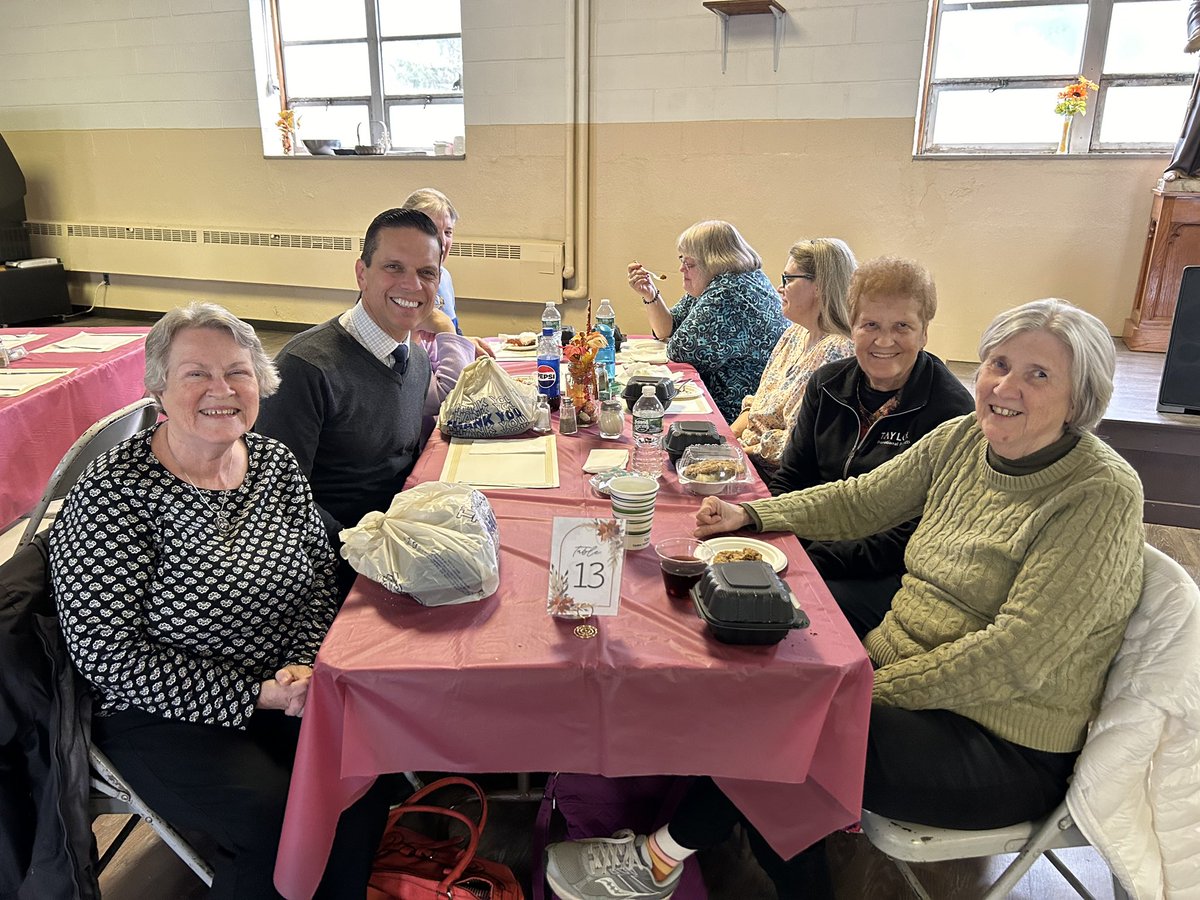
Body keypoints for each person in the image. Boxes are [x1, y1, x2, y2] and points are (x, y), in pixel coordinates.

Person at [545, 298, 1145, 900]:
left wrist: (860, 692)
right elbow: (860, 500)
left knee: (785, 727)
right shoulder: (966, 439)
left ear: (1082, 395)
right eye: (998, 363)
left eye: (1039, 374)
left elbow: (1014, 658)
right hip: (901, 677)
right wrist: (752, 513)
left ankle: (658, 858)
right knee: (761, 693)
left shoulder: (1099, 493)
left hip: (999, 742)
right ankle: (681, 859)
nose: (1005, 386)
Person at [50, 302, 390, 899]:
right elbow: (106, 654)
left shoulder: (274, 465)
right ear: (158, 387)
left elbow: (314, 580)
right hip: (159, 710)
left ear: (260, 382)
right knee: (273, 816)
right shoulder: (114, 492)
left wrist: (304, 664)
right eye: (196, 374)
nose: (221, 389)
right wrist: (255, 694)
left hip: (282, 683)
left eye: (238, 372)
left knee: (361, 782)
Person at [770, 257, 974, 636]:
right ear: (853, 326)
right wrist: (782, 544)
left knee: (791, 616)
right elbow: (792, 477)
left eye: (902, 326)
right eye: (871, 325)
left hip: (893, 574)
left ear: (925, 332)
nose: (884, 341)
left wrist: (813, 557)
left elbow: (915, 531)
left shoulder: (952, 412)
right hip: (814, 549)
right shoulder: (827, 384)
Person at [257, 208, 439, 552]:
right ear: (362, 273)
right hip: (338, 558)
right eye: (393, 267)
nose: (412, 285)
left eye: (426, 272)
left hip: (400, 535)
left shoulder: (416, 362)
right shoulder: (305, 367)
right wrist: (362, 550)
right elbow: (277, 498)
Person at [628, 220, 788, 422]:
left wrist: (675, 337)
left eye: (689, 263)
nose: (681, 269)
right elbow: (667, 329)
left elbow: (681, 350)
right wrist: (650, 294)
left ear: (713, 262)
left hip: (736, 410)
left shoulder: (730, 290)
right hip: (741, 402)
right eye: (682, 260)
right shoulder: (723, 280)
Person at [729, 238, 856, 472]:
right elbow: (758, 405)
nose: (780, 288)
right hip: (749, 457)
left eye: (787, 279)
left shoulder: (837, 350)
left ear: (820, 286)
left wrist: (735, 453)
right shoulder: (795, 333)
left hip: (775, 475)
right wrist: (726, 437)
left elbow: (798, 444)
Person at [401, 186, 494, 358]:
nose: (443, 242)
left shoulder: (444, 277)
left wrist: (465, 342)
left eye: (448, 232)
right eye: (433, 231)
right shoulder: (398, 283)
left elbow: (450, 332)